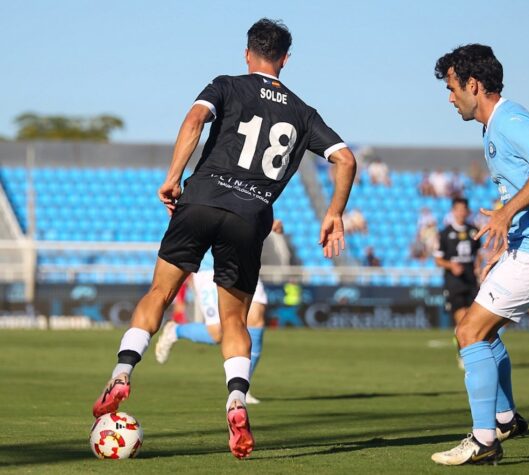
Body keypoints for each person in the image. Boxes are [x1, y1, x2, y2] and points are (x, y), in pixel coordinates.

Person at [91, 18, 356, 459]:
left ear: (247, 52)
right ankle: (236, 398)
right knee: (235, 322)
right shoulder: (303, 112)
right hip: (250, 217)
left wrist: (174, 177)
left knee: (159, 291)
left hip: (201, 200)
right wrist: (334, 214)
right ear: (285, 59)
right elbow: (345, 159)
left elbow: (196, 119)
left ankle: (122, 371)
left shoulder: (227, 85)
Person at [431, 44, 529, 466]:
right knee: (484, 333)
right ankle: (505, 417)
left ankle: (484, 439)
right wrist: (507, 238)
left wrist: (507, 214)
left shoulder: (510, 119)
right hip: (527, 248)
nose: (450, 96)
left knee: (468, 333)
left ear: (474, 85)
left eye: (453, 87)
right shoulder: (491, 127)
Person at [154, 219, 286, 405]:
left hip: (245, 263)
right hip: (210, 269)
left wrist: (267, 222)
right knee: (218, 333)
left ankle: (242, 389)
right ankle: (175, 330)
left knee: (255, 319)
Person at [434, 197, 482, 364]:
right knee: (462, 319)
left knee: (472, 319)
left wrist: (479, 268)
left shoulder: (474, 231)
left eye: (464, 209)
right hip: (453, 281)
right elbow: (438, 260)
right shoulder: (445, 233)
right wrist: (451, 265)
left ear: (467, 211)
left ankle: (470, 351)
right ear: (453, 211)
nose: (461, 212)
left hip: (471, 279)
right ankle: (463, 354)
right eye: (458, 209)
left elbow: (479, 255)